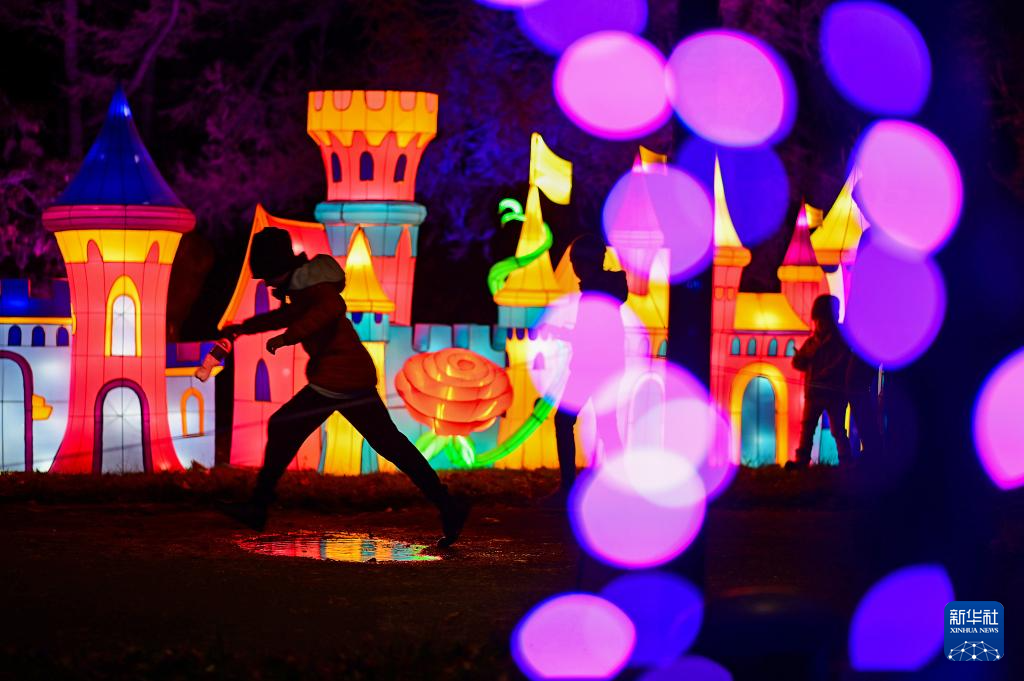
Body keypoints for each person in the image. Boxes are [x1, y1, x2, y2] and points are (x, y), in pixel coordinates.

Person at [221, 227, 470, 547]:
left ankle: (258, 506)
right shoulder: (304, 287)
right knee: (390, 444)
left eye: (267, 277)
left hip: (338, 377)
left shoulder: (313, 287)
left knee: (285, 425)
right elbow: (290, 314)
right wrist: (244, 328)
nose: (267, 284)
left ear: (277, 270)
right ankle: (449, 506)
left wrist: (288, 337)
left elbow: (330, 309)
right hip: (346, 376)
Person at [544, 234, 628, 507]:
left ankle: (569, 488)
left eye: (575, 261)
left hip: (592, 369)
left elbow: (593, 335)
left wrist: (564, 334)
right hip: (607, 368)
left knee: (565, 421)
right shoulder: (603, 289)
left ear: (585, 261)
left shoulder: (594, 291)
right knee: (606, 426)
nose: (574, 267)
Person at [787, 294, 852, 469]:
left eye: (822, 321)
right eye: (817, 321)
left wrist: (826, 372)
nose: (819, 325)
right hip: (813, 393)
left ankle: (846, 460)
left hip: (834, 393)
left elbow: (841, 362)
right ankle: (802, 460)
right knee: (807, 428)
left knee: (837, 428)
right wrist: (805, 355)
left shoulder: (839, 342)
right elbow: (798, 363)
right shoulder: (812, 342)